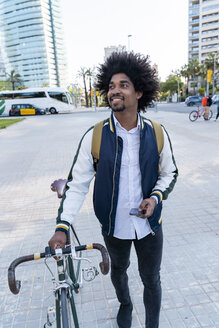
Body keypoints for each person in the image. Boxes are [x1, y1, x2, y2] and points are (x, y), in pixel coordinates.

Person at [49, 52, 178, 328]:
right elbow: (77, 184)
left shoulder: (157, 133)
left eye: (123, 84)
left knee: (151, 278)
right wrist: (62, 226)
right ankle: (125, 304)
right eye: (111, 86)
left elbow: (170, 173)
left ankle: (152, 324)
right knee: (118, 272)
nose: (115, 90)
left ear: (139, 92)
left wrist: (155, 198)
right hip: (113, 225)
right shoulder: (94, 136)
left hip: (150, 226)